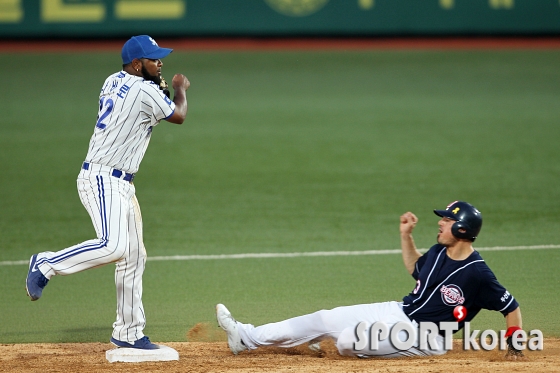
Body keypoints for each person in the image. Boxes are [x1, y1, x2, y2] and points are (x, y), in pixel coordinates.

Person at [25, 35, 190, 350]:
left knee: (133, 256)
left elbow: (148, 103)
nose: (160, 63)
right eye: (154, 59)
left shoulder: (113, 80)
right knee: (114, 247)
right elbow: (178, 115)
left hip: (119, 182)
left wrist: (159, 87)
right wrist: (180, 87)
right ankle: (46, 263)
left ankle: (128, 333)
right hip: (102, 179)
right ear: (137, 64)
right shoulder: (144, 89)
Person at [216, 201, 525, 358]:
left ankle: (326, 341)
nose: (441, 223)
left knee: (348, 341)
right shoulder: (438, 251)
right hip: (397, 311)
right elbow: (417, 270)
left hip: (428, 338)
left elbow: (510, 307)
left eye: (447, 219)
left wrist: (515, 345)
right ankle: (246, 337)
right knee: (326, 317)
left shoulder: (478, 274)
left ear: (461, 230)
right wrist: (405, 236)